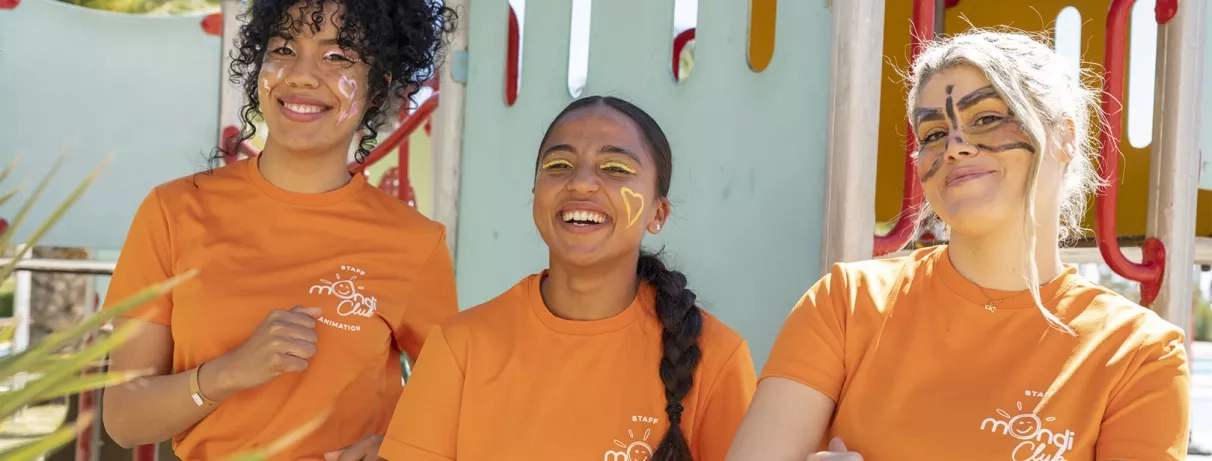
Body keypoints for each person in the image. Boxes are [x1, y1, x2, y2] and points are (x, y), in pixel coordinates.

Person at [726, 29, 1191, 461]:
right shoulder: (847, 302)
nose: (955, 145)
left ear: (1064, 138)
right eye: (932, 134)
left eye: (986, 118)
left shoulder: (1138, 353)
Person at [101, 1, 458, 459]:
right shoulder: (173, 211)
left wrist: (399, 448)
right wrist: (230, 372)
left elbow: (458, 408)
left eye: (338, 56)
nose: (302, 75)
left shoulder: (415, 243)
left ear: (378, 87)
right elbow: (124, 419)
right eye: (284, 48)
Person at [376, 96, 756, 461]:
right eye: (559, 165)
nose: (581, 183)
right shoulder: (461, 345)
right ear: (535, 194)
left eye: (616, 169)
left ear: (658, 213)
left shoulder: (717, 358)